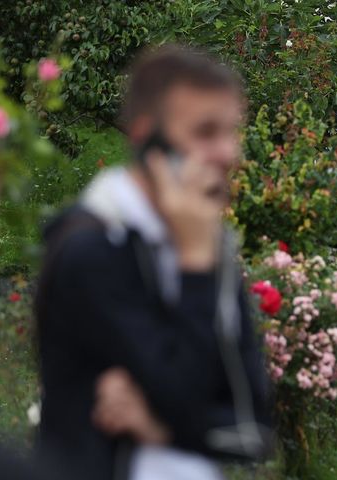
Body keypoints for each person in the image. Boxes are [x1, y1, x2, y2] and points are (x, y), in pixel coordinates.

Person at [35, 45, 271, 480]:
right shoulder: (91, 250)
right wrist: (196, 267)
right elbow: (187, 393)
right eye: (205, 132)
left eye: (230, 131)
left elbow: (252, 428)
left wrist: (160, 427)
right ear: (147, 140)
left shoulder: (205, 241)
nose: (228, 152)